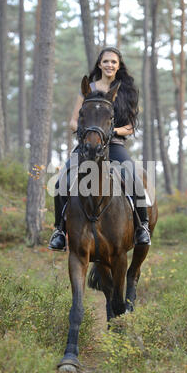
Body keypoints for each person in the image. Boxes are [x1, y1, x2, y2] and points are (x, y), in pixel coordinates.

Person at [48, 46, 151, 251]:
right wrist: (89, 132)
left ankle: (142, 227)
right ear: (99, 64)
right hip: (88, 144)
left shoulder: (127, 91)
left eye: (113, 61)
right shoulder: (89, 88)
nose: (109, 65)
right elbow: (72, 122)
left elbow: (130, 127)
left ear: (119, 65)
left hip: (114, 145)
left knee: (134, 178)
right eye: (106, 61)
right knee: (61, 182)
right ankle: (59, 230)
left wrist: (111, 132)